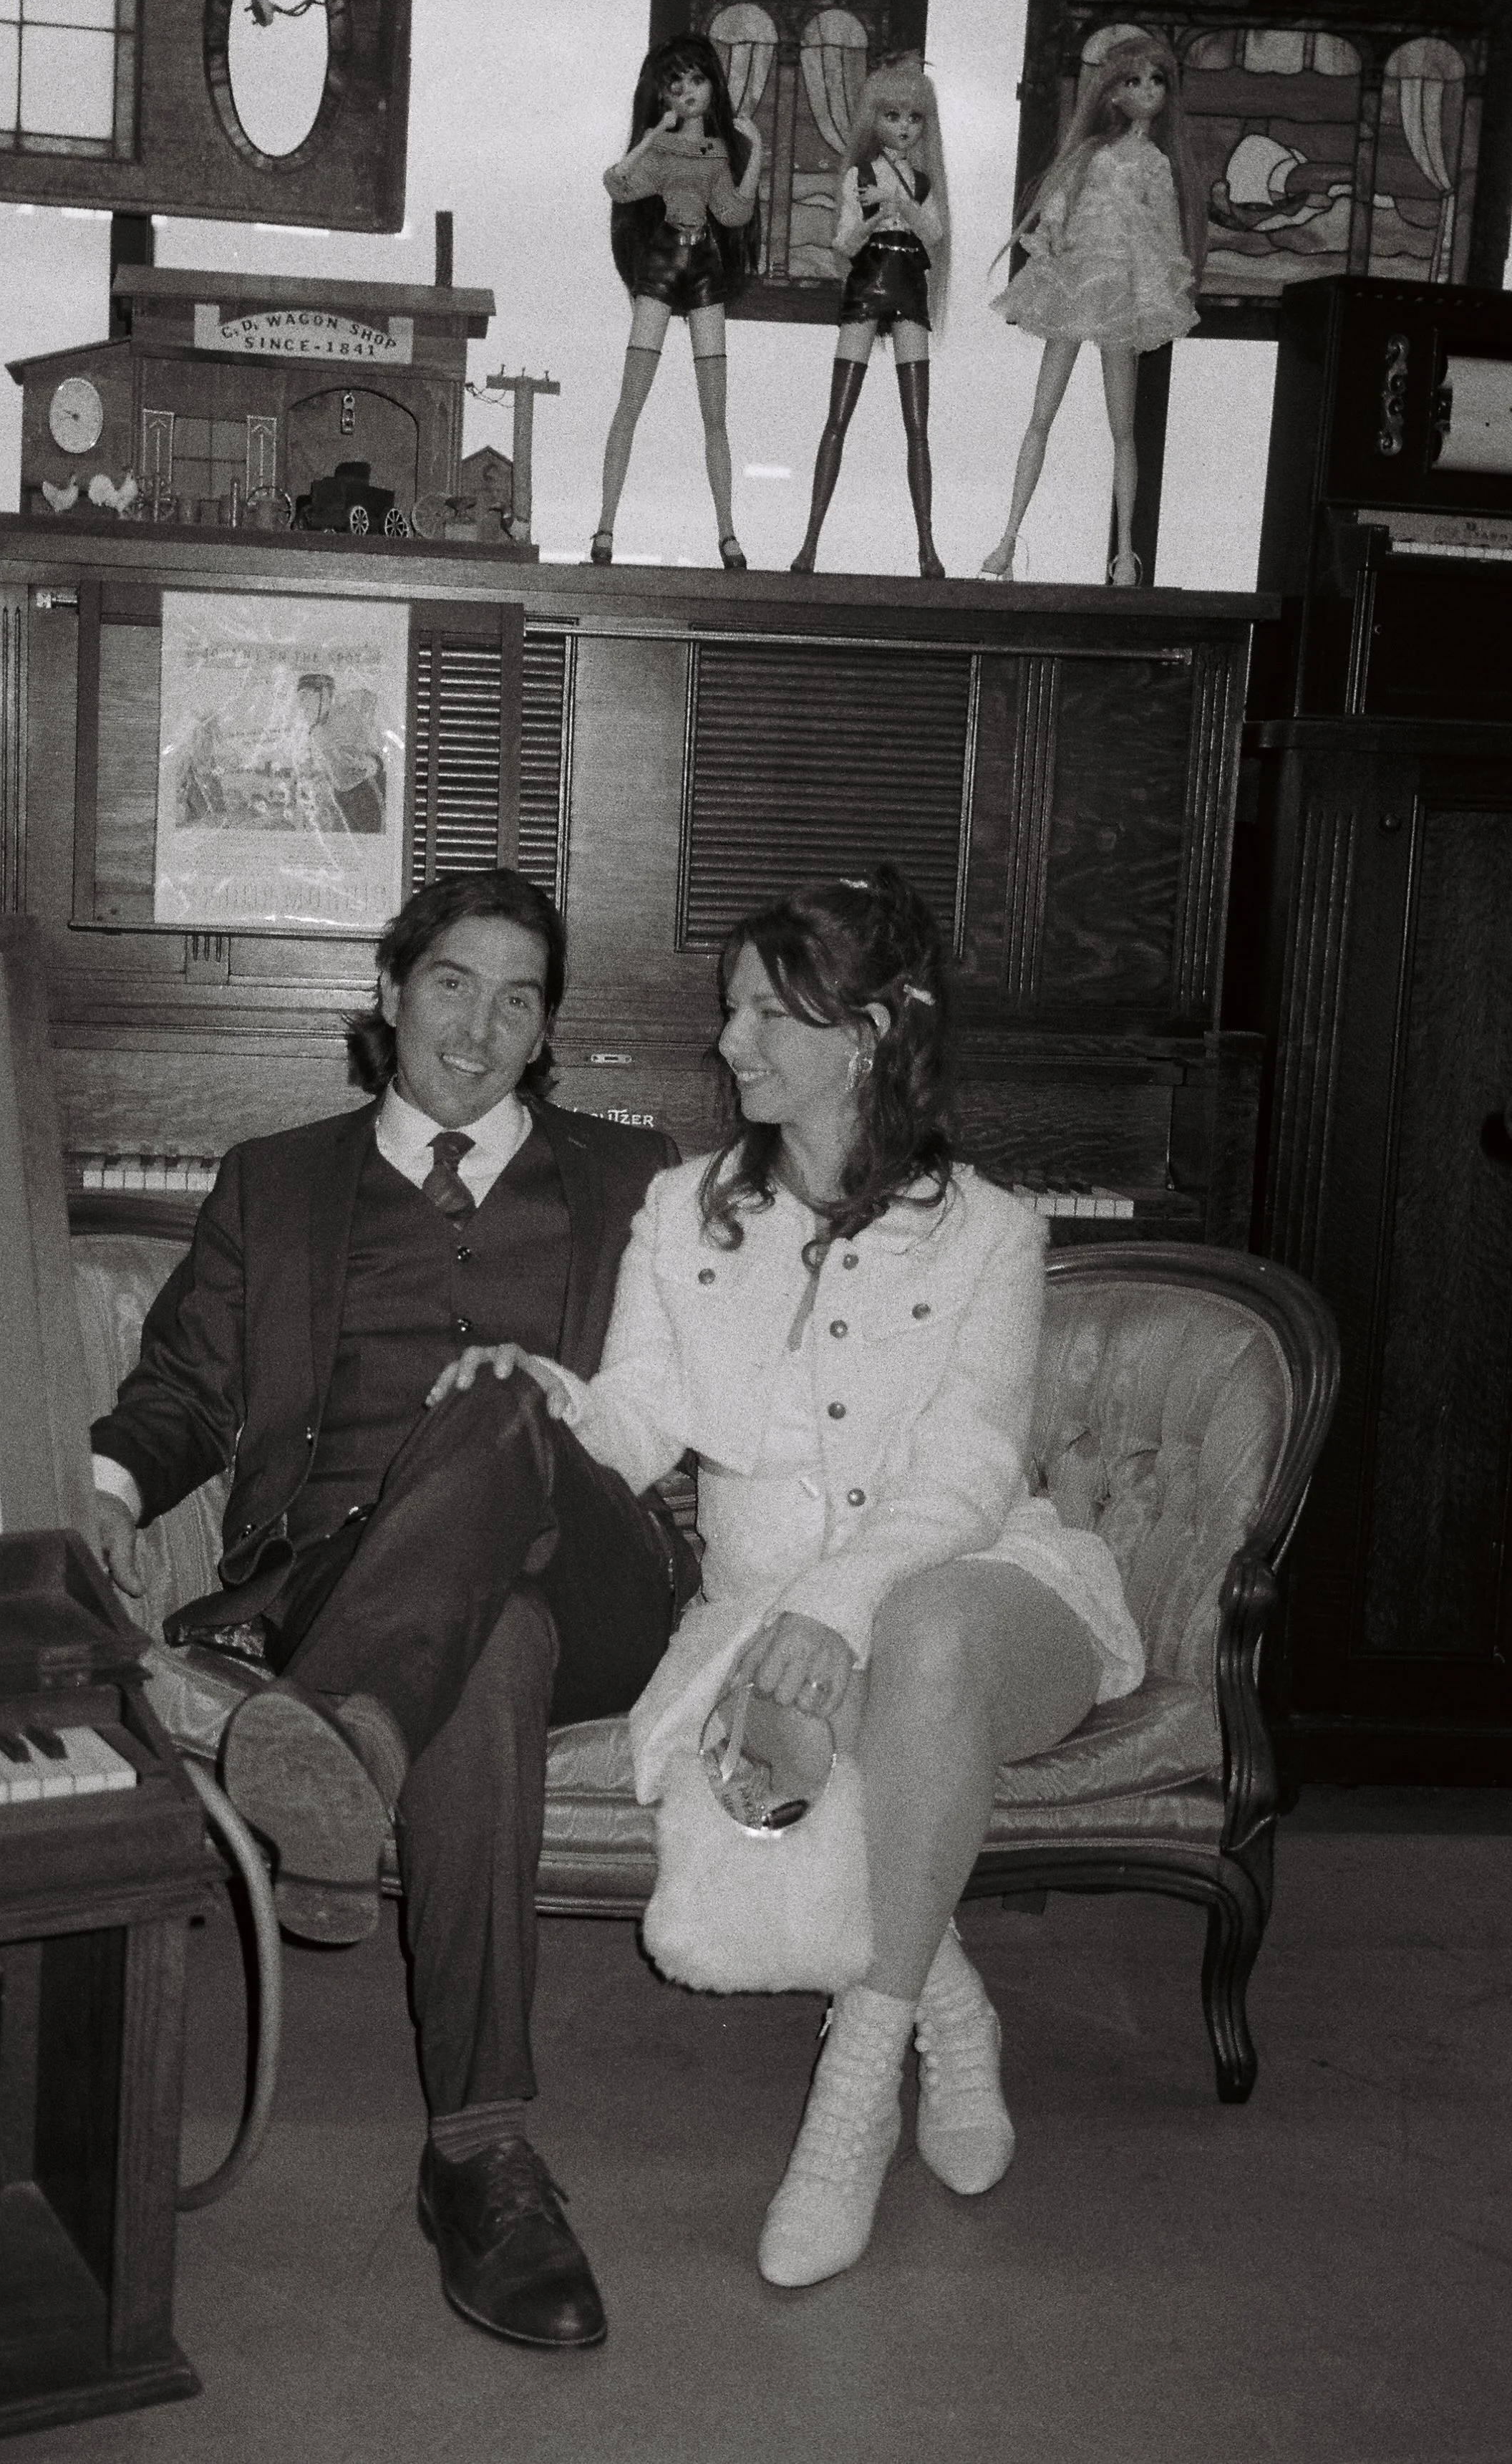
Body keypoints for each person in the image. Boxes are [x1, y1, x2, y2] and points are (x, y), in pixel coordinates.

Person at [430, 866, 1143, 2287]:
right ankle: (946, 2007)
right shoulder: (683, 1208)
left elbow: (966, 1474)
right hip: (758, 1611)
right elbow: (637, 1422)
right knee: (801, 1756)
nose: (731, 1044)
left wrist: (835, 1606)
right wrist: (542, 1404)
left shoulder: (991, 1230)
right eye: (731, 1012)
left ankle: (848, 2093)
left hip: (986, 1586)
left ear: (869, 1034)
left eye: (766, 1014)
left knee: (924, 1638)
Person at [89, 868, 692, 2352]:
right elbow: (182, 1393)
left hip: (592, 1559)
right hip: (340, 1591)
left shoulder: (637, 1179)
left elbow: (700, 1405)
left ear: (545, 1029)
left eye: (519, 998)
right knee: (480, 1647)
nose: (480, 1027)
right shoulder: (277, 1181)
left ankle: (340, 1752)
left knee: (501, 1406)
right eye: (451, 984)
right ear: (388, 991)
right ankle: (480, 2153)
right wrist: (106, 1490)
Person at [980, 36, 1206, 584]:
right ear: (1112, 92)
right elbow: (1058, 202)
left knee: (1122, 427)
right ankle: (1007, 537)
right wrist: (1053, 232)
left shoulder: (1154, 161)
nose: (1146, 91)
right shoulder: (1091, 152)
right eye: (1134, 81)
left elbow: (1166, 232)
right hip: (1081, 278)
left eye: (1155, 82)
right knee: (1041, 415)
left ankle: (1125, 552)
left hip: (1120, 289)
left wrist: (1160, 279)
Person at [594, 32, 763, 571]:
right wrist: (648, 138)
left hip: (705, 268)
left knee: (715, 412)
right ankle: (604, 526)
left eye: (696, 80)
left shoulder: (716, 152)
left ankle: (728, 533)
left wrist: (755, 152)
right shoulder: (662, 150)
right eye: (676, 85)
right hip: (663, 263)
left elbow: (734, 212)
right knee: (630, 401)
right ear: (662, 97)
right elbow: (618, 184)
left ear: (712, 84)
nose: (688, 93)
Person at [791, 57, 951, 580]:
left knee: (918, 426)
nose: (904, 127)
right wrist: (873, 215)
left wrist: (895, 201)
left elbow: (933, 234)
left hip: (906, 280)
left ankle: (926, 546)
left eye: (913, 117)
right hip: (867, 278)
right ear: (873, 118)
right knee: (836, 418)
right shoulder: (858, 175)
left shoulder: (922, 182)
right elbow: (842, 241)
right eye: (892, 115)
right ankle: (809, 542)